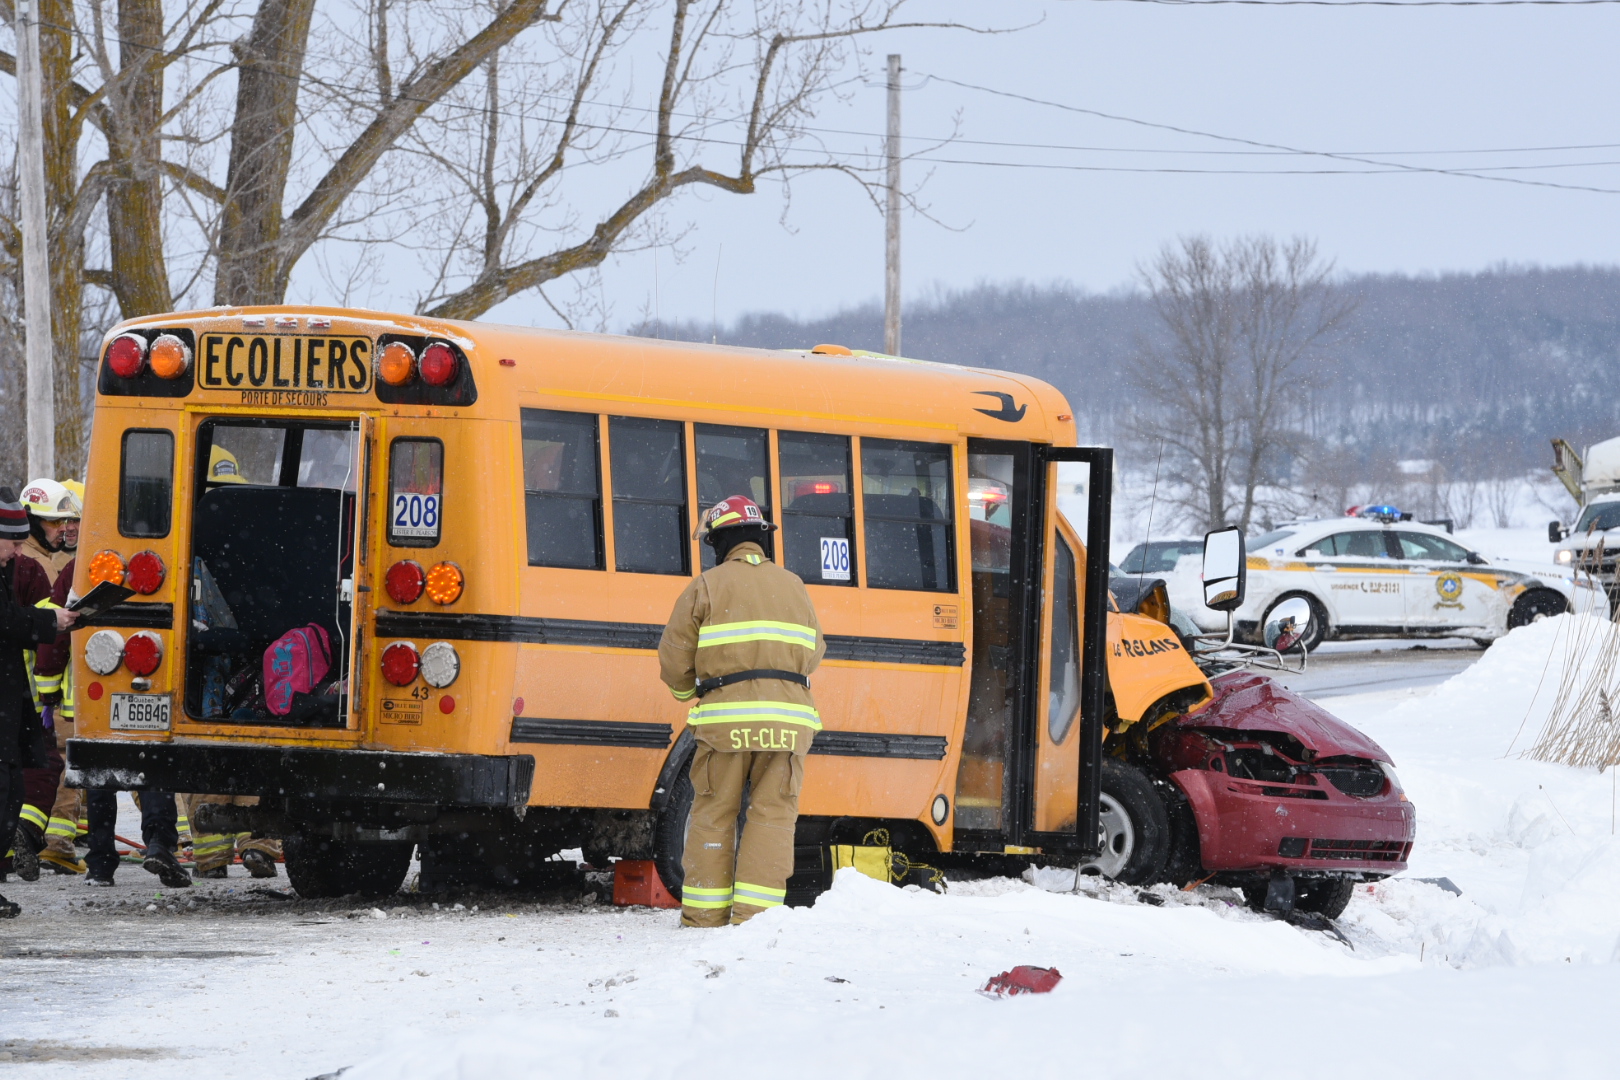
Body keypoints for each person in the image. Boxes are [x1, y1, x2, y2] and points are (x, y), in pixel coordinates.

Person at [658, 496, 824, 927]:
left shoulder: (708, 585)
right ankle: (755, 919)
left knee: (714, 812)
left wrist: (686, 692)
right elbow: (814, 652)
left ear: (721, 540)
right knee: (772, 818)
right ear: (759, 539)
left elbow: (675, 660)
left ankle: (705, 916)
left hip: (725, 723)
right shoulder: (795, 586)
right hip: (788, 723)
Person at [0, 489, 76, 916]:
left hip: (15, 702)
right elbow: (7, 621)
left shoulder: (15, 568)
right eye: (12, 541)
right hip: (18, 700)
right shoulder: (27, 568)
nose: (17, 549)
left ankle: (20, 841)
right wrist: (51, 620)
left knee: (14, 786)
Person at [15, 479, 86, 873]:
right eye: (55, 523)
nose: (64, 530)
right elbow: (45, 638)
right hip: (34, 691)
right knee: (45, 769)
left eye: (68, 522)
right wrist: (46, 694)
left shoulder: (38, 559)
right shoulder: (30, 565)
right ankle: (25, 839)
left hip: (34, 691)